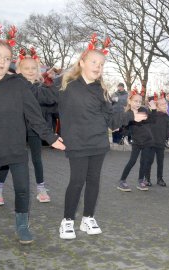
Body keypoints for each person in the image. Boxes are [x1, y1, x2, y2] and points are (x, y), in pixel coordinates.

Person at [0, 25, 65, 247]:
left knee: (23, 189)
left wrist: (51, 137)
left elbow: (34, 115)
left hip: (16, 149)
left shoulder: (18, 85)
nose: (2, 61)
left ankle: (22, 225)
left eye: (7, 58)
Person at [57, 34, 145, 240]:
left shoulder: (102, 91)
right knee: (77, 181)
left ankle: (88, 218)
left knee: (94, 181)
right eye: (94, 62)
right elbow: (42, 101)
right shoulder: (66, 85)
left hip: (98, 143)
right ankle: (67, 220)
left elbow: (111, 121)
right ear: (82, 63)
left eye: (102, 64)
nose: (98, 67)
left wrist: (131, 115)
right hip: (77, 143)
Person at [0, 47, 55, 205]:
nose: (31, 71)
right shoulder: (15, 84)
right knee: (8, 158)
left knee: (37, 159)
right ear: (19, 70)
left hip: (34, 128)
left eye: (34, 68)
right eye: (26, 68)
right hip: (16, 128)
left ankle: (41, 189)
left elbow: (47, 105)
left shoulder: (40, 88)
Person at [117, 91, 157, 192]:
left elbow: (152, 120)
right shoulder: (127, 114)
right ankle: (122, 181)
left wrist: (154, 110)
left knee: (144, 161)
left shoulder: (143, 110)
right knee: (132, 161)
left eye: (140, 101)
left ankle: (140, 181)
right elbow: (124, 129)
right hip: (137, 142)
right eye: (135, 101)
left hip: (147, 141)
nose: (138, 103)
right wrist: (125, 131)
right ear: (129, 101)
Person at [145, 94, 169, 186]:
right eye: (162, 104)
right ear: (157, 106)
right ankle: (147, 179)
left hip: (161, 143)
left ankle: (160, 179)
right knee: (149, 161)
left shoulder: (167, 118)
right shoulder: (151, 115)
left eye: (165, 104)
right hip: (150, 143)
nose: (165, 106)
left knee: (160, 162)